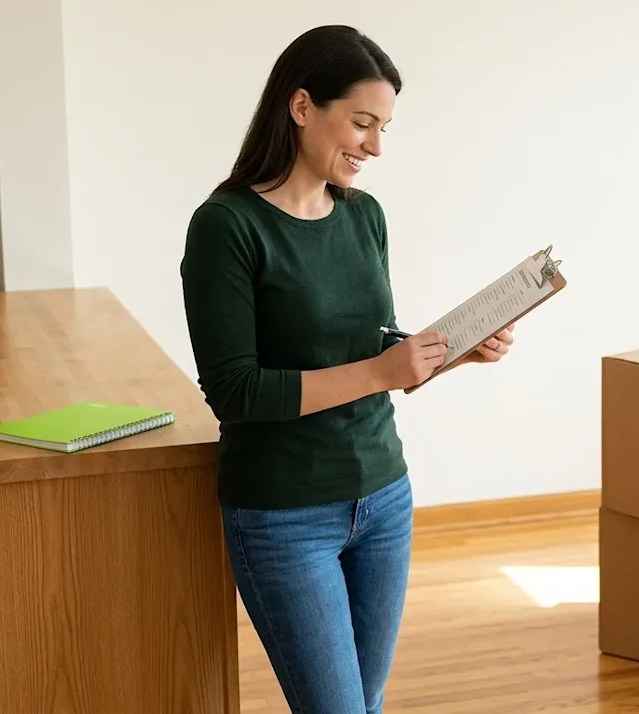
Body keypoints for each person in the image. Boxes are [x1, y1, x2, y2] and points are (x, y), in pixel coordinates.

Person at [179, 25, 514, 714]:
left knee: (367, 702)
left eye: (385, 127)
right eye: (362, 123)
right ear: (302, 107)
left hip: (383, 497)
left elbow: (374, 359)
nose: (375, 146)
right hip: (283, 514)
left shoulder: (365, 218)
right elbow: (235, 392)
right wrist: (381, 370)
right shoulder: (226, 227)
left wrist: (453, 352)